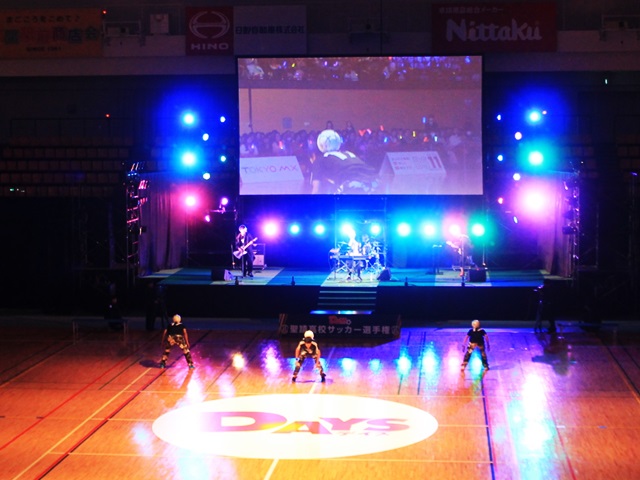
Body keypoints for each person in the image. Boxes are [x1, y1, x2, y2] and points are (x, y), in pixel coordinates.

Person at [311, 129, 378, 194]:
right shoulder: (348, 153)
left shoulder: (320, 160)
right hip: (374, 181)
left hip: (353, 184)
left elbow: (316, 190)